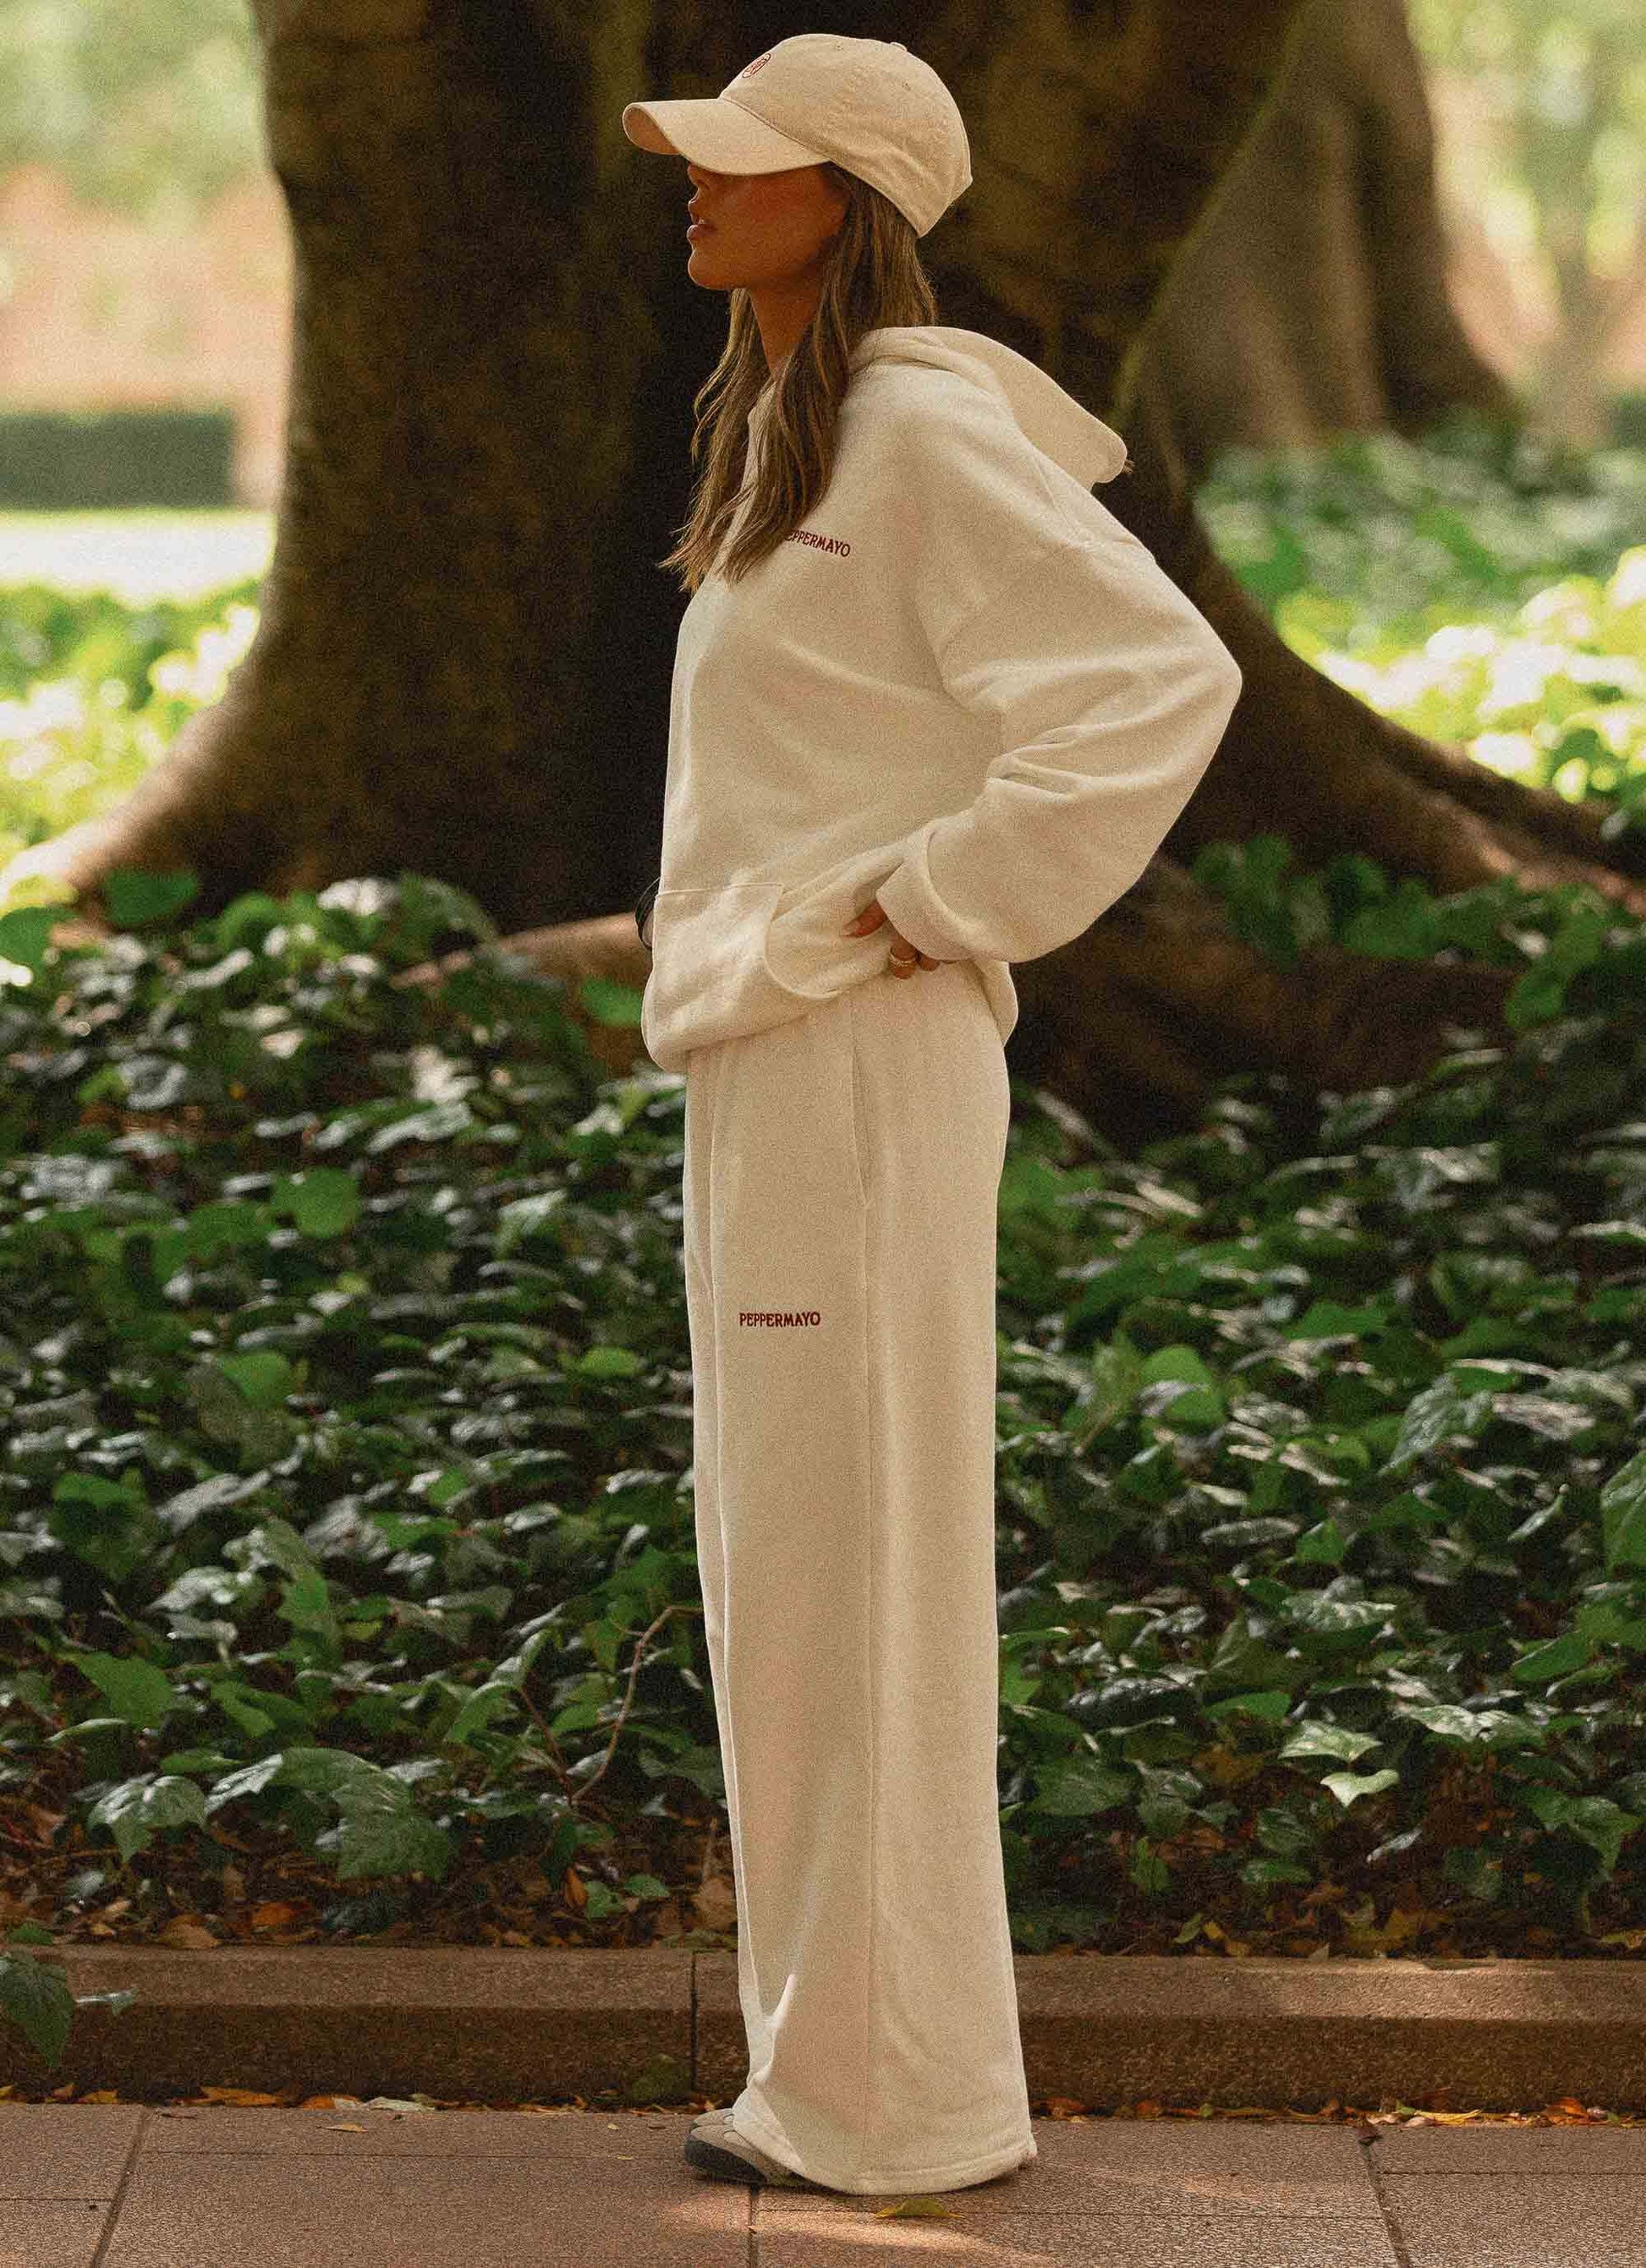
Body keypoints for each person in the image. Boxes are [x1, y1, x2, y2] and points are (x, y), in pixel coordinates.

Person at [620, 32, 1243, 2199]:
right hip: (778, 1052)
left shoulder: (910, 428)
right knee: (795, 1574)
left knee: (854, 1575)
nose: (699, 185)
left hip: (854, 1058)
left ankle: (887, 2104)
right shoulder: (793, 431)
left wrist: (925, 902)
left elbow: (1152, 682)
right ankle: (863, 2083)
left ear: (849, 199)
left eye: (748, 161)